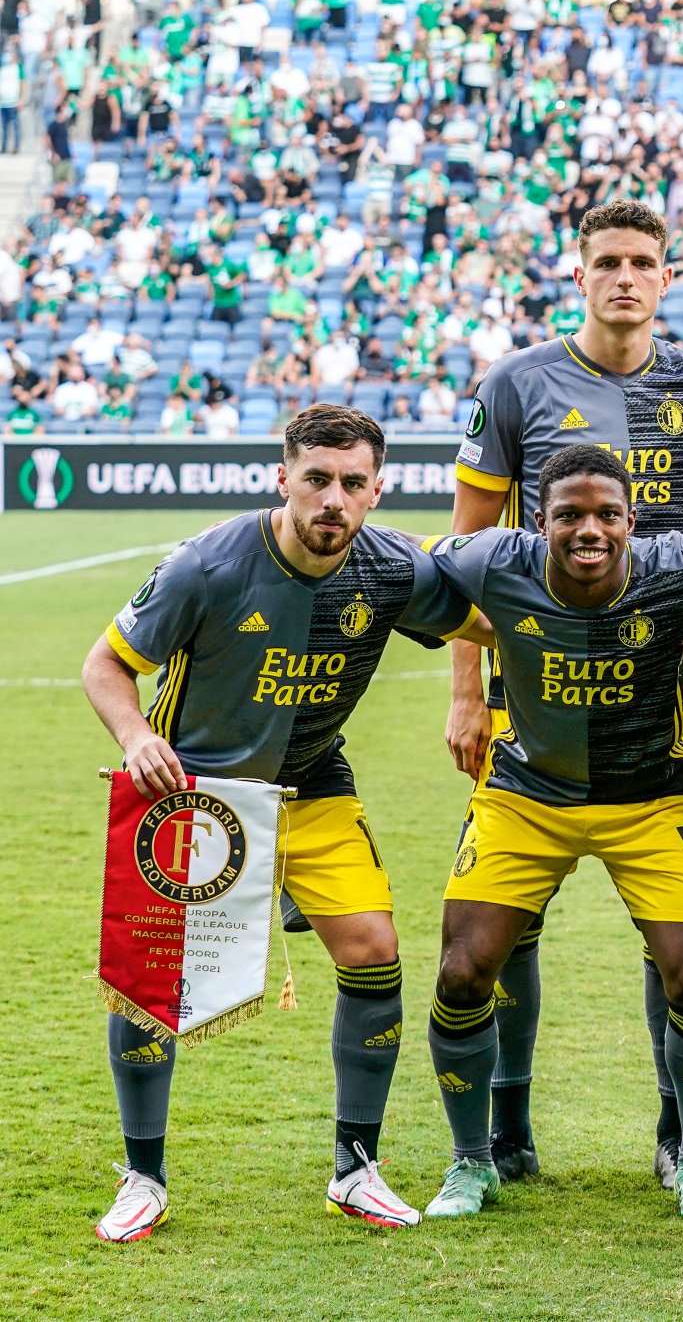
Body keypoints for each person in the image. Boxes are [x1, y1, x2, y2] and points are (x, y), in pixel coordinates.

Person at [82, 404, 489, 1241]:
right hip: (195, 793)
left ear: (377, 490)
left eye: (352, 483)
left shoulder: (393, 568)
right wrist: (136, 737)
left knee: (374, 951)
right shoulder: (207, 564)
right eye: (317, 480)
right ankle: (142, 1178)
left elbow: (486, 623)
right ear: (284, 480)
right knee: (150, 983)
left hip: (313, 782)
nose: (333, 500)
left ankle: (355, 1169)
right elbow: (107, 664)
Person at [444, 200, 683, 1194]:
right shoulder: (517, 381)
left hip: (662, 697)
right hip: (529, 697)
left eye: (642, 262)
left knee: (671, 930)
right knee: (506, 928)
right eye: (608, 262)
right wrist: (466, 693)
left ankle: (678, 1138)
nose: (625, 277)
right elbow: (468, 546)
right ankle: (503, 1133)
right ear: (578, 274)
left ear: (666, 277)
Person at [421, 445, 683, 1222]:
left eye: (607, 514)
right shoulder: (491, 558)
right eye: (569, 515)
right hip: (525, 795)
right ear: (538, 523)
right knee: (463, 972)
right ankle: (471, 1162)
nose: (589, 529)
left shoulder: (680, 564)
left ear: (631, 521)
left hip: (651, 799)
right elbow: (407, 557)